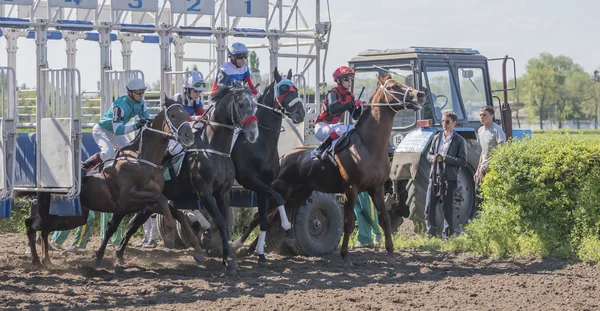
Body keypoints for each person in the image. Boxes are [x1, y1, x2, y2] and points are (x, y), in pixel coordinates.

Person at [81, 77, 150, 172]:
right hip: (101, 130)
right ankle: (84, 167)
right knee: (108, 153)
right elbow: (118, 130)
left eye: (143, 91)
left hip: (113, 130)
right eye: (138, 92)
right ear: (130, 93)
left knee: (128, 152)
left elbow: (149, 119)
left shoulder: (142, 104)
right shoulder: (119, 106)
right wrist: (136, 126)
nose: (141, 95)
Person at [425, 111, 467, 238]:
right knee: (429, 207)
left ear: (454, 123)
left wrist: (445, 158)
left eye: (447, 121)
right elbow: (428, 154)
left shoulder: (459, 140)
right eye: (442, 121)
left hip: (449, 178)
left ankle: (447, 235)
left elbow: (463, 161)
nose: (444, 123)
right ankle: (430, 234)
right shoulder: (437, 137)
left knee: (448, 209)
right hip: (435, 177)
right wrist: (432, 158)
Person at [313, 66, 365, 160]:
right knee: (341, 129)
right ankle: (321, 147)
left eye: (351, 79)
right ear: (338, 80)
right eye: (346, 78)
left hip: (333, 128)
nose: (349, 81)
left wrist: (362, 107)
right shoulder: (333, 93)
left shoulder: (349, 96)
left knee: (356, 128)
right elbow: (334, 109)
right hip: (322, 127)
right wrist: (352, 103)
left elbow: (355, 116)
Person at [166, 71, 207, 160]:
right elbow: (177, 118)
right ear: (187, 90)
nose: (198, 95)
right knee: (176, 149)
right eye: (195, 91)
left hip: (185, 130)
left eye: (199, 92)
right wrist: (194, 118)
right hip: (173, 131)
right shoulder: (178, 98)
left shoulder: (197, 100)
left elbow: (202, 114)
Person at [474, 106, 506, 183]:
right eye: (480, 115)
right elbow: (483, 152)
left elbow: (503, 150)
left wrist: (493, 166)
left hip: (493, 169)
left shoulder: (497, 130)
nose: (481, 117)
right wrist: (478, 170)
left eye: (484, 115)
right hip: (483, 169)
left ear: (491, 116)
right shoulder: (480, 131)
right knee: (478, 192)